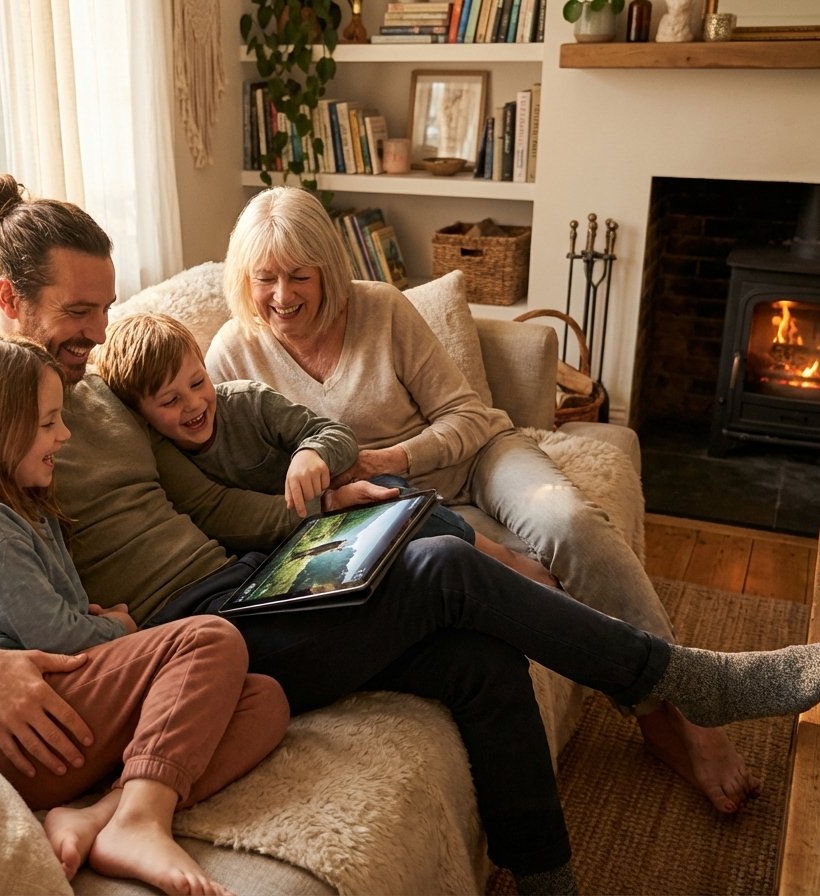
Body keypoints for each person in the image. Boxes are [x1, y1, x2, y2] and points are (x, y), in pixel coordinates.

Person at [0, 174, 820, 896]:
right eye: (80, 313)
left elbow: (210, 466)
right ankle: (675, 678)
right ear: (6, 299)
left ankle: (549, 876)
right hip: (185, 634)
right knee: (447, 566)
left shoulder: (93, 389)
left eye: (104, 311)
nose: (100, 334)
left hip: (241, 580)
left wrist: (314, 491)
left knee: (476, 651)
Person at [205, 185, 761, 816]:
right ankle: (657, 716)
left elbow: (466, 414)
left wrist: (392, 457)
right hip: (389, 508)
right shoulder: (230, 355)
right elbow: (238, 478)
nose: (282, 296)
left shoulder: (381, 309)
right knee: (466, 575)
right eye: (265, 278)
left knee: (570, 522)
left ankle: (695, 712)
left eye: (299, 276)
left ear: (328, 269)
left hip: (480, 460)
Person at [0, 327, 288, 896]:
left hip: (59, 719)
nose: (65, 434)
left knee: (262, 701)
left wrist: (95, 629)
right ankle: (141, 822)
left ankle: (100, 815)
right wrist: (118, 628)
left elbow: (61, 620)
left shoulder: (26, 509)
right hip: (8, 731)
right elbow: (62, 639)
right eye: (48, 423)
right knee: (210, 639)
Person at [93, 310, 557, 587]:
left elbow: (335, 434)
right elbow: (226, 516)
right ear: (141, 415)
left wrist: (309, 454)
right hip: (279, 542)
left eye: (198, 382)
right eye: (170, 401)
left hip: (337, 506)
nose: (194, 404)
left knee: (391, 497)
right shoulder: (164, 458)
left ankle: (507, 562)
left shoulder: (247, 401)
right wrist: (320, 505)